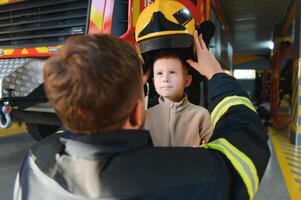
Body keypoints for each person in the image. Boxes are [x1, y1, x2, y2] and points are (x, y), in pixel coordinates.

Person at [13, 32, 270, 200]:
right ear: (139, 114)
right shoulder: (192, 176)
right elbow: (245, 143)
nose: (164, 79)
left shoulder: (36, 162)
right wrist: (218, 76)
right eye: (157, 75)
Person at [144, 49, 213, 146]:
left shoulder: (201, 115)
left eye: (172, 72)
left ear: (187, 81)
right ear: (154, 82)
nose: (165, 79)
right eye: (159, 73)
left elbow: (211, 151)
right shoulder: (145, 116)